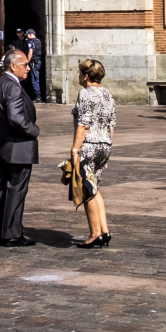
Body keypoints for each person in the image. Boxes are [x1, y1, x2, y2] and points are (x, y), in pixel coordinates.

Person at [0, 47, 39, 246]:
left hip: (3, 147)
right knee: (16, 190)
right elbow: (16, 118)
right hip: (19, 148)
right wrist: (34, 130)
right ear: (12, 65)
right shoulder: (14, 87)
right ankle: (11, 234)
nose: (28, 68)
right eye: (24, 64)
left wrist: (2, 134)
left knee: (2, 189)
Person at [68, 58, 116, 248]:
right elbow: (111, 124)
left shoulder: (85, 94)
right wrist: (108, 150)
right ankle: (104, 230)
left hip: (88, 145)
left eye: (80, 73)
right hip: (105, 145)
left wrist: (74, 149)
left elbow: (83, 125)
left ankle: (95, 233)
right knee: (94, 188)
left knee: (88, 190)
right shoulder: (107, 95)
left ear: (86, 76)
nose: (79, 77)